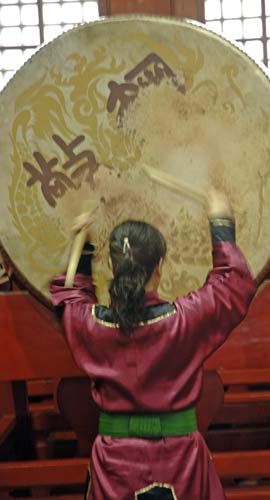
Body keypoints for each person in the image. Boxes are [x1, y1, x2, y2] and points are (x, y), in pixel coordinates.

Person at [50, 188, 257, 500]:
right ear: (160, 265)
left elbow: (68, 295)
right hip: (180, 461)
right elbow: (232, 284)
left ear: (112, 265)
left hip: (114, 463)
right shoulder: (183, 321)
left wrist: (82, 244)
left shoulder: (90, 324)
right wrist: (221, 222)